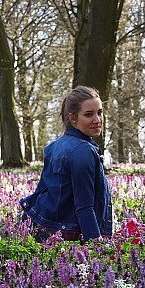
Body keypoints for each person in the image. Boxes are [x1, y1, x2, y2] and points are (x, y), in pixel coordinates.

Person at [20, 86, 113, 243]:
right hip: (66, 237)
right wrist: (97, 246)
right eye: (88, 114)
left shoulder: (53, 147)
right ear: (73, 117)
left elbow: (41, 190)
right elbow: (84, 207)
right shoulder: (83, 151)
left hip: (41, 226)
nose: (97, 120)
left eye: (100, 112)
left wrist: (27, 220)